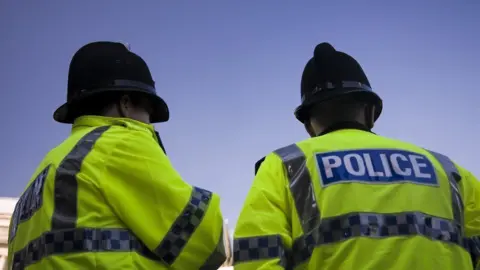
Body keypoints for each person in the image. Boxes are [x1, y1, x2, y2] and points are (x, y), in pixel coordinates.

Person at [233, 42, 480, 269]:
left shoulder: (285, 165)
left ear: (308, 125)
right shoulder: (449, 171)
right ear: (372, 112)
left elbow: (256, 257)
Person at [7, 41, 226, 270]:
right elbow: (205, 243)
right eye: (149, 113)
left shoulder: (43, 174)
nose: (149, 124)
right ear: (126, 104)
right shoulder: (118, 143)